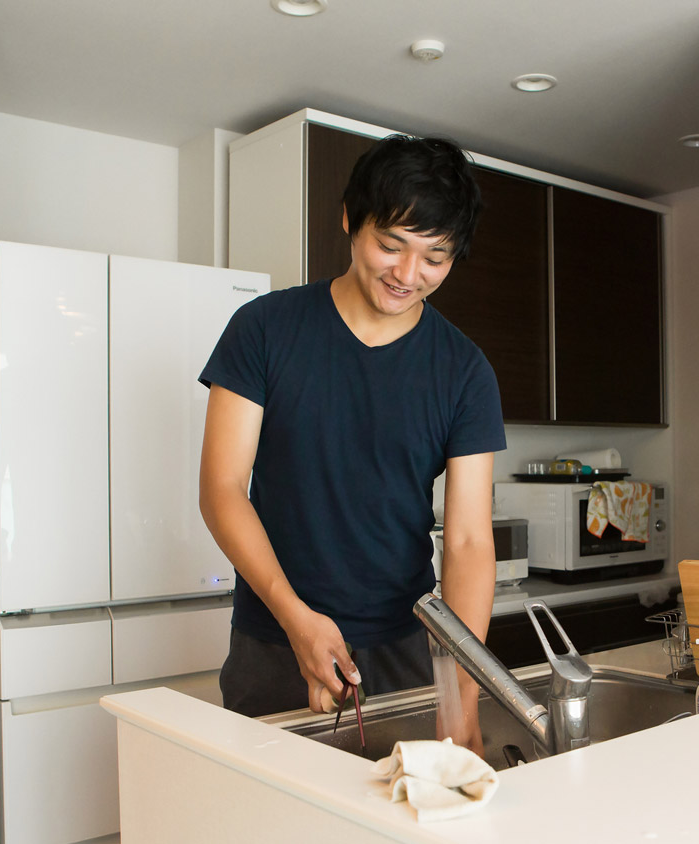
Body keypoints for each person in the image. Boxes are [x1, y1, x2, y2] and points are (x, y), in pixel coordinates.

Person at [197, 134, 503, 755]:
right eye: (391, 245)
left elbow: (469, 541)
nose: (408, 275)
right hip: (273, 641)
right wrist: (295, 618)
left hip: (402, 648)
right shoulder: (264, 330)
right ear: (348, 219)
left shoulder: (464, 372)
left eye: (434, 257)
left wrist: (461, 694)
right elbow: (222, 489)